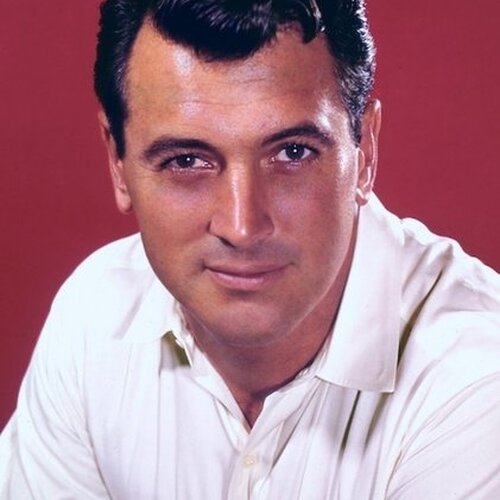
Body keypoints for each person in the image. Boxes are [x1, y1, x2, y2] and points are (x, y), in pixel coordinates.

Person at [1, 0, 499, 498]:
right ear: (118, 163)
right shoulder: (93, 317)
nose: (242, 227)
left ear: (364, 152)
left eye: (293, 152)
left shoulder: (479, 371)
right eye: (186, 160)